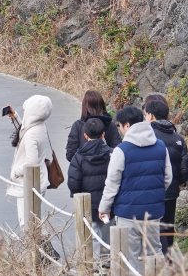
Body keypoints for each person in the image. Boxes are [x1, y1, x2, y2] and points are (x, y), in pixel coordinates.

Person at [99, 106, 172, 273]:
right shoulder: (160, 146)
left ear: (126, 125)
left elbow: (112, 184)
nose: (119, 130)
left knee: (131, 257)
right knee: (155, 252)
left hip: (127, 213)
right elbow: (168, 178)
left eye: (119, 126)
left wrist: (104, 208)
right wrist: (154, 195)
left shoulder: (121, 151)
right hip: (153, 212)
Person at [143, 94, 188, 255]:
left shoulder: (146, 137)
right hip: (171, 192)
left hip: (150, 192)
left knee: (150, 230)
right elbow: (185, 169)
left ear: (150, 115)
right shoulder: (178, 138)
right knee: (167, 228)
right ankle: (167, 260)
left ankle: (153, 264)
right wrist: (177, 181)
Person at [68, 118, 114, 263]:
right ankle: (107, 264)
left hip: (88, 203)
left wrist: (77, 194)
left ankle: (93, 267)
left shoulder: (78, 156)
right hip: (108, 203)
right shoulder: (112, 154)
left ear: (85, 135)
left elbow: (73, 183)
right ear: (103, 135)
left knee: (92, 235)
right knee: (107, 234)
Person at [7, 95, 53, 228]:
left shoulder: (31, 135)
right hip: (40, 180)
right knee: (34, 219)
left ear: (32, 112)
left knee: (26, 223)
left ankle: (37, 248)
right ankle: (43, 246)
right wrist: (15, 117)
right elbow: (26, 130)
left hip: (28, 183)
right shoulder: (40, 125)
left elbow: (31, 162)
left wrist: (16, 171)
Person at [66, 90, 122, 162]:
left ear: (85, 106)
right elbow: (118, 151)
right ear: (102, 104)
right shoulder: (110, 125)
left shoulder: (78, 126)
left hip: (83, 171)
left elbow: (70, 155)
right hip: (107, 170)